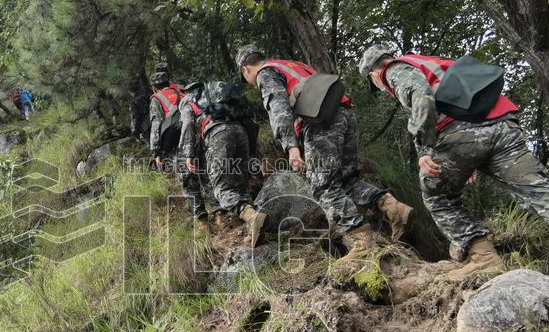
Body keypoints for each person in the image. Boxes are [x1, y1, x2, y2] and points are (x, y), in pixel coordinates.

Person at [358, 44, 549, 304]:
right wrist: (468, 161)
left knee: (437, 194)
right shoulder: (428, 61)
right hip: (503, 125)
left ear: (373, 74)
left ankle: (484, 257)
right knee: (543, 194)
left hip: (459, 132)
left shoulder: (393, 71)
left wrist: (425, 149)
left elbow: (421, 95)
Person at [236, 45, 414, 266]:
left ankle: (362, 242)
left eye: (247, 78)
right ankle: (393, 208)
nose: (251, 83)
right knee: (346, 180)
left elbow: (278, 108)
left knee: (323, 187)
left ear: (246, 70)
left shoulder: (266, 73)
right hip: (345, 115)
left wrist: (291, 147)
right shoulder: (292, 65)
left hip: (321, 124)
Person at [178, 80, 269, 246]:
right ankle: (253, 230)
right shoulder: (220, 97)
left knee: (222, 189)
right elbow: (248, 122)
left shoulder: (188, 100)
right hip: (241, 132)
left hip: (218, 134)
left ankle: (252, 216)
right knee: (241, 185)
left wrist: (188, 153)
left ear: (186, 90)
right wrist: (260, 157)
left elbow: (189, 123)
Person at [148, 69, 217, 220]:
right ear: (168, 82)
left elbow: (156, 125)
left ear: (154, 88)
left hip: (177, 142)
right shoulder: (182, 91)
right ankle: (218, 209)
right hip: (197, 135)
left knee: (187, 179)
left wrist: (156, 152)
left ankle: (200, 214)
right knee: (205, 173)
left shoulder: (156, 99)